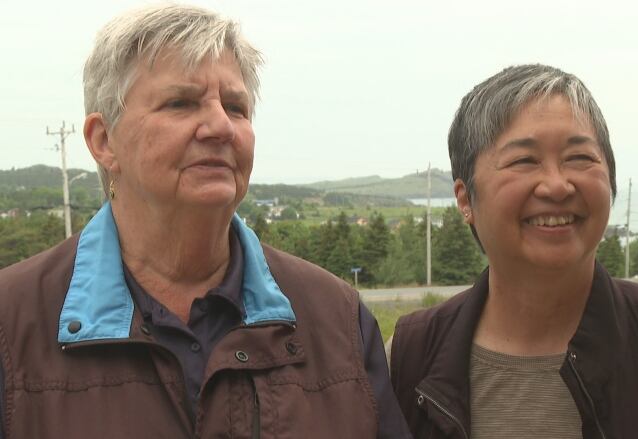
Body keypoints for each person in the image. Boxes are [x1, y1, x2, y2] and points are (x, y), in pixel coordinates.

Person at [0, 4, 410, 438]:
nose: (220, 126)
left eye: (235, 107)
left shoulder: (337, 317)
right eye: (181, 103)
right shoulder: (13, 321)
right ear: (104, 142)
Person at [389, 64, 638, 438]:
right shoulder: (406, 362)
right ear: (464, 199)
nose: (557, 186)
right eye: (524, 160)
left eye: (580, 158)